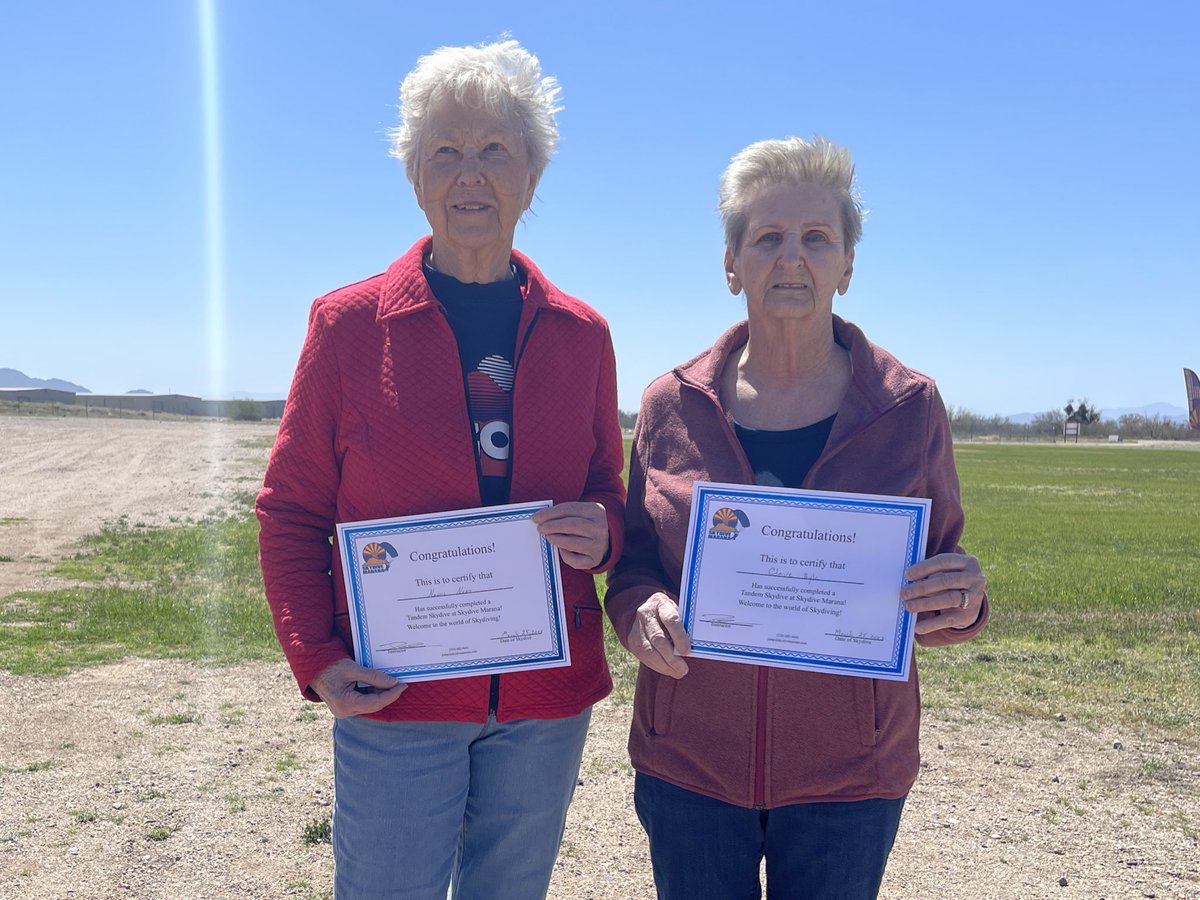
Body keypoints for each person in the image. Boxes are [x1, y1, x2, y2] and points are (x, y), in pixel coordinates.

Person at [255, 40, 625, 900]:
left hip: (541, 704)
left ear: (532, 174)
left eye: (495, 150)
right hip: (398, 698)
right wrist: (314, 653)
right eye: (446, 152)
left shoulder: (583, 336)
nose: (471, 174)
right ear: (413, 174)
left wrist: (605, 532)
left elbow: (611, 489)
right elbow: (292, 508)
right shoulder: (346, 328)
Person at [604, 135, 989, 900]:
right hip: (691, 764)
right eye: (767, 237)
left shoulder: (910, 407)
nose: (792, 258)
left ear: (847, 264)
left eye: (817, 238)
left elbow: (940, 575)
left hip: (852, 774)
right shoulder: (668, 404)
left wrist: (963, 599)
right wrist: (636, 608)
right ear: (730, 263)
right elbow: (635, 562)